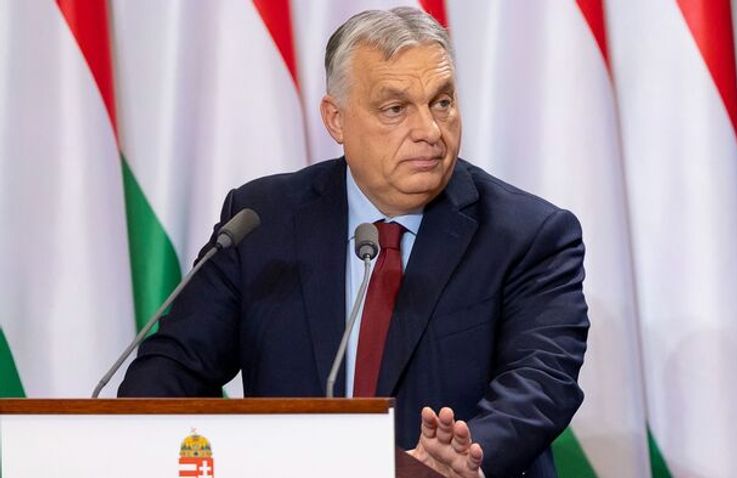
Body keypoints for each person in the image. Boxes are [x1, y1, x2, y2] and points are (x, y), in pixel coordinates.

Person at [118, 7, 589, 478]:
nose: (429, 131)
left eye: (442, 102)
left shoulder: (528, 235)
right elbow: (174, 365)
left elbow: (541, 381)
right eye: (395, 109)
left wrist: (464, 457)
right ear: (336, 119)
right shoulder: (261, 221)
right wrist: (137, 438)